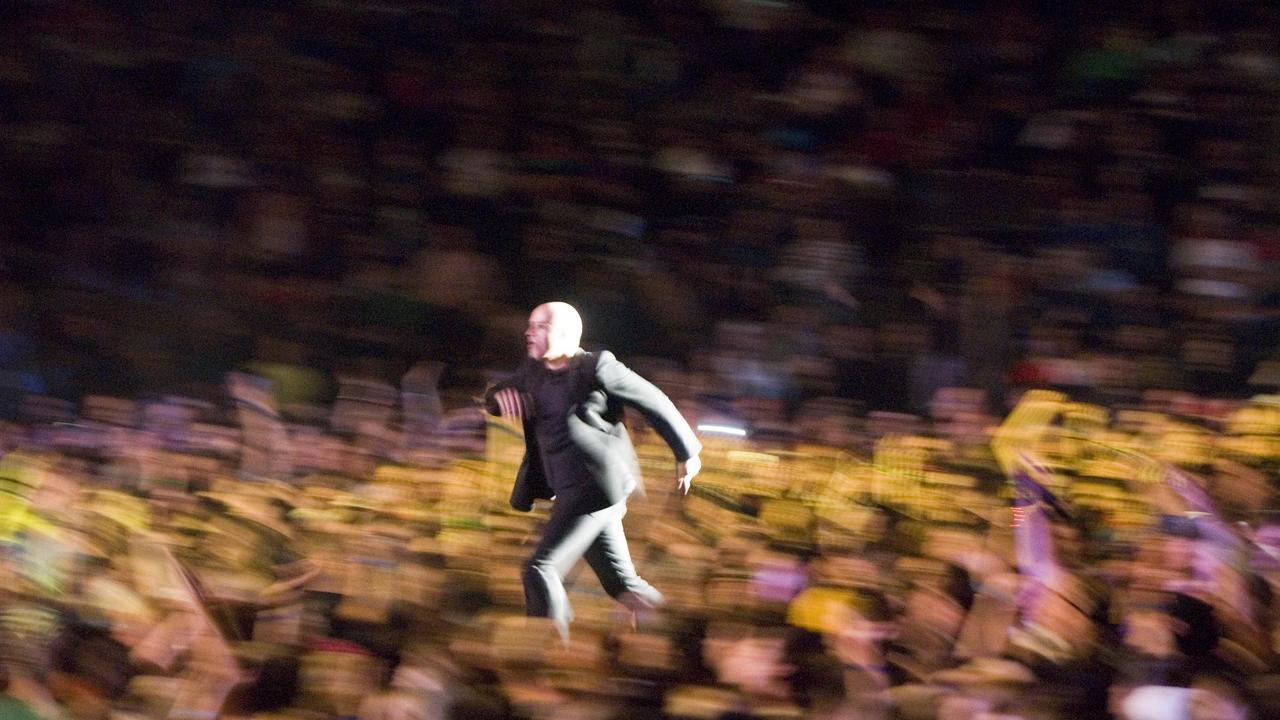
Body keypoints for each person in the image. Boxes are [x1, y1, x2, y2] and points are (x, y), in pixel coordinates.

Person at [484, 301, 701, 640]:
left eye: (540, 326)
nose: (529, 332)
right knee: (621, 584)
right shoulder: (533, 371)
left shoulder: (596, 367)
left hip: (595, 487)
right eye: (530, 325)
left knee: (540, 569)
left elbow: (654, 400)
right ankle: (683, 632)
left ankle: (547, 653)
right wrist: (498, 400)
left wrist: (686, 453)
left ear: (567, 334)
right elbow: (502, 390)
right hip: (569, 488)